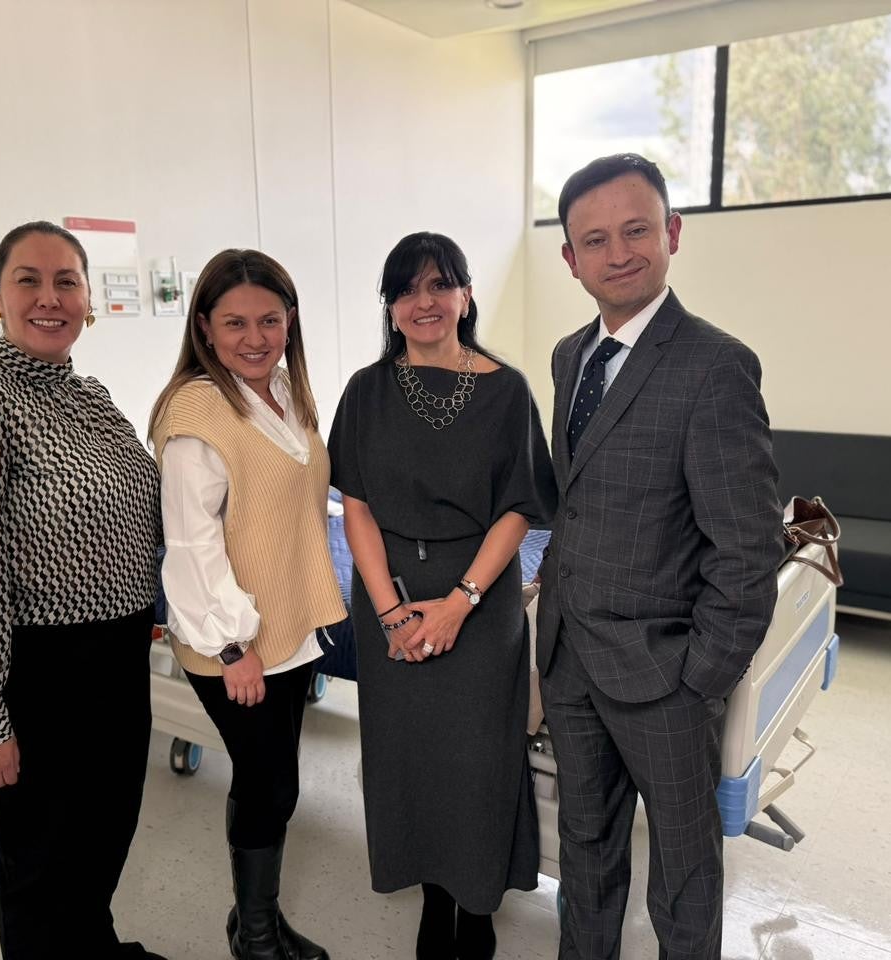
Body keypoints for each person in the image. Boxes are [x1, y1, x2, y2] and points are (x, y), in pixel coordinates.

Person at [535, 154, 786, 960]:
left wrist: (698, 679)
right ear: (570, 259)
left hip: (665, 676)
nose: (618, 254)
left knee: (682, 874)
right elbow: (576, 500)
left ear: (672, 233)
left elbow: (748, 549)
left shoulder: (715, 367)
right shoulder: (569, 357)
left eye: (636, 230)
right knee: (585, 846)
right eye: (595, 240)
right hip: (571, 660)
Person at [0, 222, 165, 959]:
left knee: (101, 839)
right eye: (28, 280)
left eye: (66, 282)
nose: (49, 298)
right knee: (42, 864)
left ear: (88, 300)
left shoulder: (91, 398)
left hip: (116, 660)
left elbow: (135, 511)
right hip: (43, 675)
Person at [328, 232, 556, 960]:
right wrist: (391, 611)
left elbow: (518, 509)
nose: (423, 302)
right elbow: (356, 506)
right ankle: (433, 896)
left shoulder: (506, 390)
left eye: (439, 285)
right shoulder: (366, 391)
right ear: (390, 307)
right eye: (405, 290)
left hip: (480, 600)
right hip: (387, 596)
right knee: (408, 759)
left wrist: (461, 601)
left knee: (479, 760)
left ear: (465, 295)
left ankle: (478, 902)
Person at [148, 249, 346, 960]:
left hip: (289, 625)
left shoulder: (287, 391)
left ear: (290, 320)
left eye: (270, 320)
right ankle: (256, 937)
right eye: (235, 323)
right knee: (270, 786)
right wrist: (233, 647)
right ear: (204, 326)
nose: (255, 337)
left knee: (274, 782)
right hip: (235, 643)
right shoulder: (196, 411)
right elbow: (190, 545)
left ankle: (255, 920)